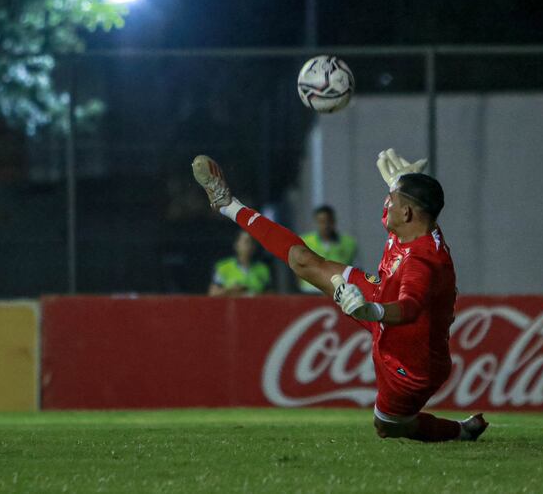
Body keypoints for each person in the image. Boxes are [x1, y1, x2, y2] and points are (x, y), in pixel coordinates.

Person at [192, 149, 488, 442]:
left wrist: (369, 311)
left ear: (407, 213)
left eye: (392, 201)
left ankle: (460, 431)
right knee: (303, 261)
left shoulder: (421, 262)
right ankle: (227, 204)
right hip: (380, 299)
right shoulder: (414, 226)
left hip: (410, 361)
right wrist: (402, 181)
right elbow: (416, 206)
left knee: (388, 427)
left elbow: (409, 308)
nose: (386, 204)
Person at [299, 205, 357, 294]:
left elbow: (355, 269)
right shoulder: (305, 241)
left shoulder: (348, 243)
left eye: (328, 221)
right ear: (316, 222)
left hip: (339, 291)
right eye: (321, 222)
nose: (325, 225)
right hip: (311, 291)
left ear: (334, 222)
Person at [209, 231, 271, 296]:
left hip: (256, 305)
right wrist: (230, 290)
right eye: (246, 242)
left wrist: (254, 295)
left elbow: (270, 295)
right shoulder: (223, 267)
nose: (250, 246)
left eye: (252, 242)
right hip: (230, 305)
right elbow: (213, 293)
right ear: (236, 244)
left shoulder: (263, 269)